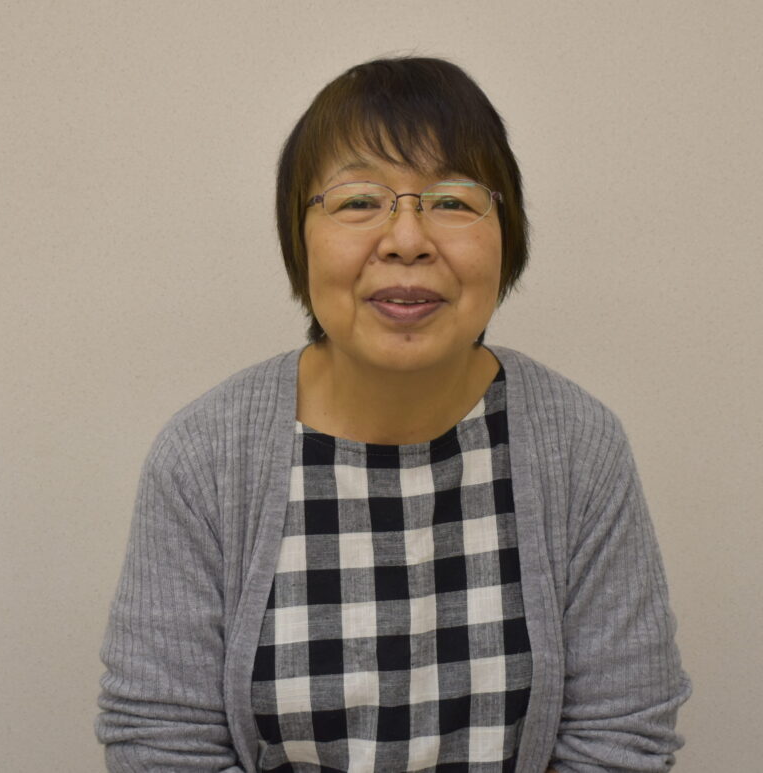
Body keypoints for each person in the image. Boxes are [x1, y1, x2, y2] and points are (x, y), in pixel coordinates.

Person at [96, 56, 690, 772]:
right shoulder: (204, 457)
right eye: (358, 201)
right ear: (297, 238)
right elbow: (162, 742)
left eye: (453, 201)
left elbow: (620, 733)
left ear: (507, 236)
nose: (407, 239)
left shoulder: (578, 445)